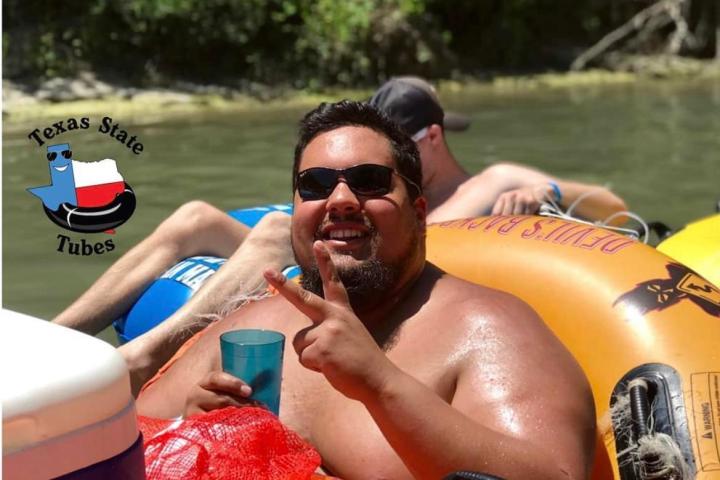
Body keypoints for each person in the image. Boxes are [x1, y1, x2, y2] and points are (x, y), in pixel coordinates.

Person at [54, 76, 627, 395]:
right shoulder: (349, 194)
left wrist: (538, 199)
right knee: (196, 215)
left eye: (379, 166)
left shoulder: (496, 181)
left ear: (430, 138)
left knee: (276, 228)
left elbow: (612, 205)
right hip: (336, 249)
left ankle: (145, 355)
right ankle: (48, 336)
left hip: (387, 265)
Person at [136, 100, 596, 479]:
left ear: (418, 212)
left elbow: (554, 475)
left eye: (369, 181)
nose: (340, 200)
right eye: (315, 185)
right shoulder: (254, 326)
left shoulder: (489, 331)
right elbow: (124, 442)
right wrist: (189, 428)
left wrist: (380, 383)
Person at [369, 76, 628, 223]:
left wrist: (552, 192)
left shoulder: (499, 181)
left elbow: (617, 212)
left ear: (434, 136)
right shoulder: (388, 204)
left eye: (398, 149)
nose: (389, 162)